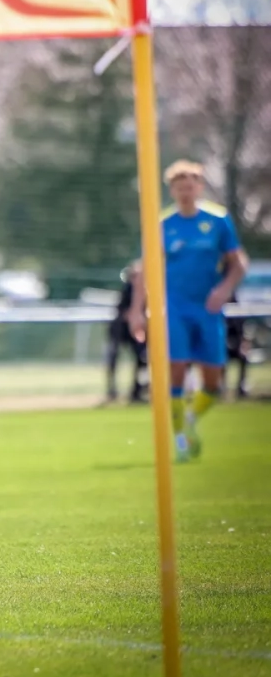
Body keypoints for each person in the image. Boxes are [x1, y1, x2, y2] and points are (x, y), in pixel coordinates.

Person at [128, 160, 247, 462]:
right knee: (175, 371)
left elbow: (238, 264)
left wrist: (223, 290)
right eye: (180, 187)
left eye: (190, 186)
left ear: (200, 188)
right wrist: (137, 310)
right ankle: (180, 437)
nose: (185, 192)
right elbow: (144, 270)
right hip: (173, 308)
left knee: (213, 382)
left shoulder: (218, 220)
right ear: (172, 191)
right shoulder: (162, 224)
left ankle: (190, 418)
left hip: (207, 308)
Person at [105, 261, 148, 403]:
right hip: (121, 329)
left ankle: (137, 390)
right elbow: (121, 310)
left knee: (142, 359)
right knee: (113, 357)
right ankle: (112, 390)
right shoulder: (127, 289)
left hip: (137, 331)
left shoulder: (146, 290)